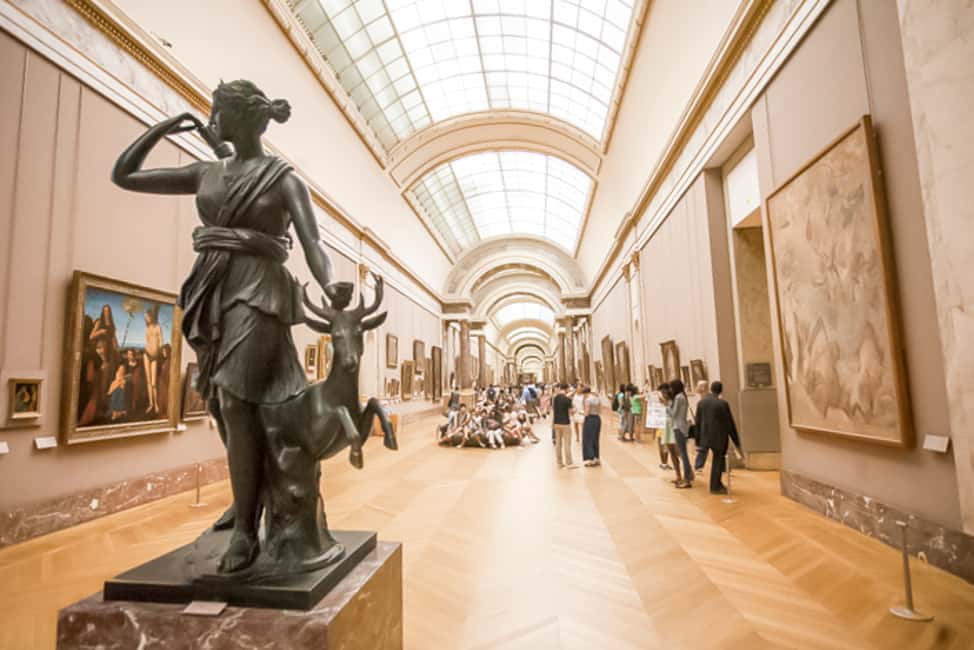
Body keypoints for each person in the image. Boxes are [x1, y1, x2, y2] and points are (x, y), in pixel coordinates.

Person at [112, 79, 339, 573]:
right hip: (211, 287)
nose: (211, 120)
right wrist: (165, 126)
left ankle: (246, 533)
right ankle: (245, 499)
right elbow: (124, 175)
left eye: (218, 112)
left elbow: (312, 243)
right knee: (219, 401)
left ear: (242, 117)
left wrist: (330, 284)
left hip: (259, 291)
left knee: (237, 401)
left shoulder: (284, 179)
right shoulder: (206, 172)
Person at [695, 381, 742, 494]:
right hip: (719, 437)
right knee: (718, 461)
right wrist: (736, 441)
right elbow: (729, 423)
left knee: (717, 461)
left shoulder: (701, 403)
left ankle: (717, 483)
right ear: (721, 391)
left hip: (705, 437)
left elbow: (698, 422)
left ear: (711, 389)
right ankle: (715, 486)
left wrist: (697, 439)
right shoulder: (722, 404)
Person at [668, 379, 694, 488]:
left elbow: (673, 414)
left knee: (683, 454)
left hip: (679, 427)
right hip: (681, 426)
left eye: (671, 387)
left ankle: (687, 479)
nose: (670, 389)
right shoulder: (682, 396)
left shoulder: (678, 398)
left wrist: (667, 406)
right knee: (683, 453)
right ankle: (688, 476)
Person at [659, 383, 685, 486]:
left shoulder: (676, 400)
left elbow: (674, 414)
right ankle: (678, 475)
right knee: (672, 453)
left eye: (664, 392)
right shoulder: (670, 401)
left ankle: (687, 473)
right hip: (668, 427)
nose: (662, 395)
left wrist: (666, 404)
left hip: (675, 427)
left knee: (679, 452)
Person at [552, 383, 576, 468]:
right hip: (565, 423)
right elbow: (571, 412)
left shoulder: (555, 398)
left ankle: (559, 463)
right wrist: (575, 409)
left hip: (556, 423)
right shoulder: (567, 399)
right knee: (567, 444)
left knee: (558, 444)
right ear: (566, 389)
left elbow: (554, 409)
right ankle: (569, 463)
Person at [691, 380, 710, 471]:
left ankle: (699, 465)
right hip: (703, 426)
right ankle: (699, 465)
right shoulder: (699, 399)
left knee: (704, 447)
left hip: (706, 426)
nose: (696, 388)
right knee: (703, 448)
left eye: (698, 386)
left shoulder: (705, 399)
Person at [581, 386, 602, 466]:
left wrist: (581, 413)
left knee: (588, 439)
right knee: (595, 439)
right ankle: (597, 458)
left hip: (590, 420)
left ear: (585, 393)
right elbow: (600, 410)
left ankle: (591, 458)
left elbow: (586, 412)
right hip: (597, 419)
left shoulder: (588, 400)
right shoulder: (597, 398)